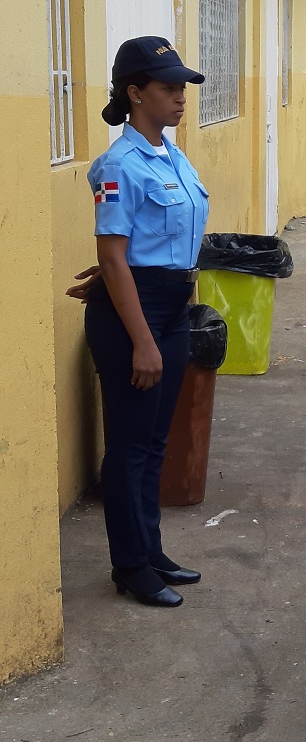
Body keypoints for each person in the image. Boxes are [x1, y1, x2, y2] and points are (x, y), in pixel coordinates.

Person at [81, 37, 209, 608]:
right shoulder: (119, 165)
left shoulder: (171, 156)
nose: (180, 98)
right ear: (135, 93)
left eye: (182, 87)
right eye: (168, 88)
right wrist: (142, 340)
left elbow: (156, 243)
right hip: (137, 318)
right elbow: (113, 255)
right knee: (130, 445)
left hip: (171, 306)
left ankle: (150, 550)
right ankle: (130, 565)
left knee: (155, 442)